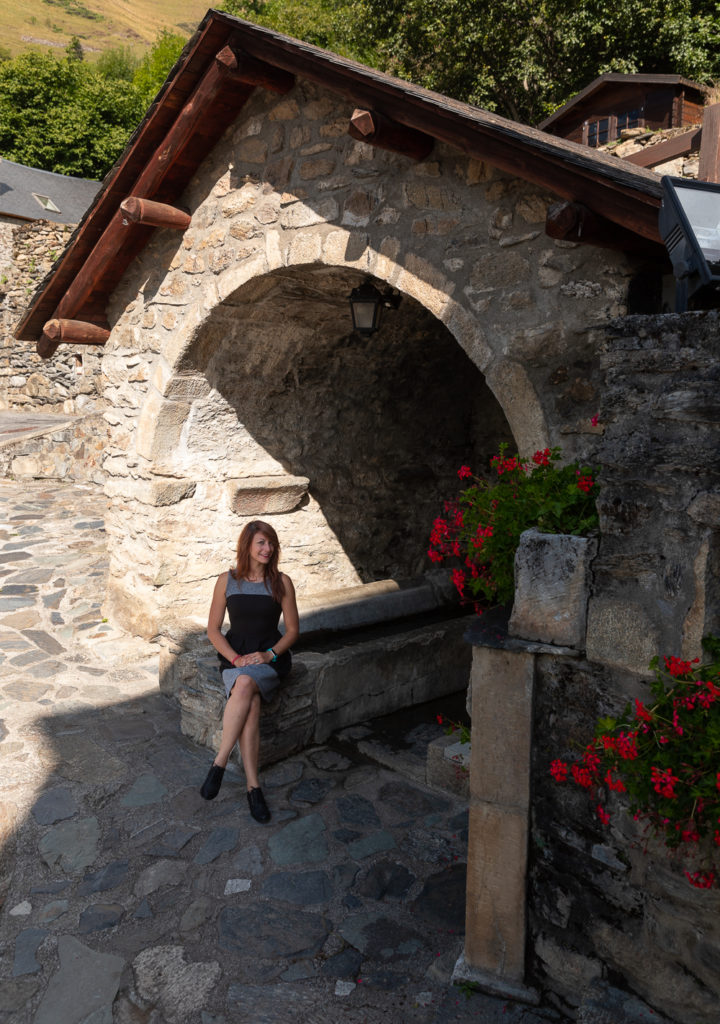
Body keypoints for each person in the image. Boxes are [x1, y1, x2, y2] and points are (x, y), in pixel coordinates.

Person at [200, 520, 299, 822]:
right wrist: (234, 658)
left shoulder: (282, 582)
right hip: (235, 658)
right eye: (261, 543)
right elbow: (213, 630)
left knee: (244, 687)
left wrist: (269, 655)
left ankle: (219, 763)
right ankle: (253, 787)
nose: (267, 549)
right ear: (247, 546)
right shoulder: (226, 580)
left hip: (269, 659)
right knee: (249, 699)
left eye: (271, 543)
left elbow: (293, 631)